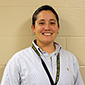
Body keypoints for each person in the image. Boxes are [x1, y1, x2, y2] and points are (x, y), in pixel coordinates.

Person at [1, 5, 84, 85]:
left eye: (52, 23)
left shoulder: (70, 59)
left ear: (58, 27)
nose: (47, 27)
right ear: (33, 28)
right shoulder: (18, 60)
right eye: (41, 23)